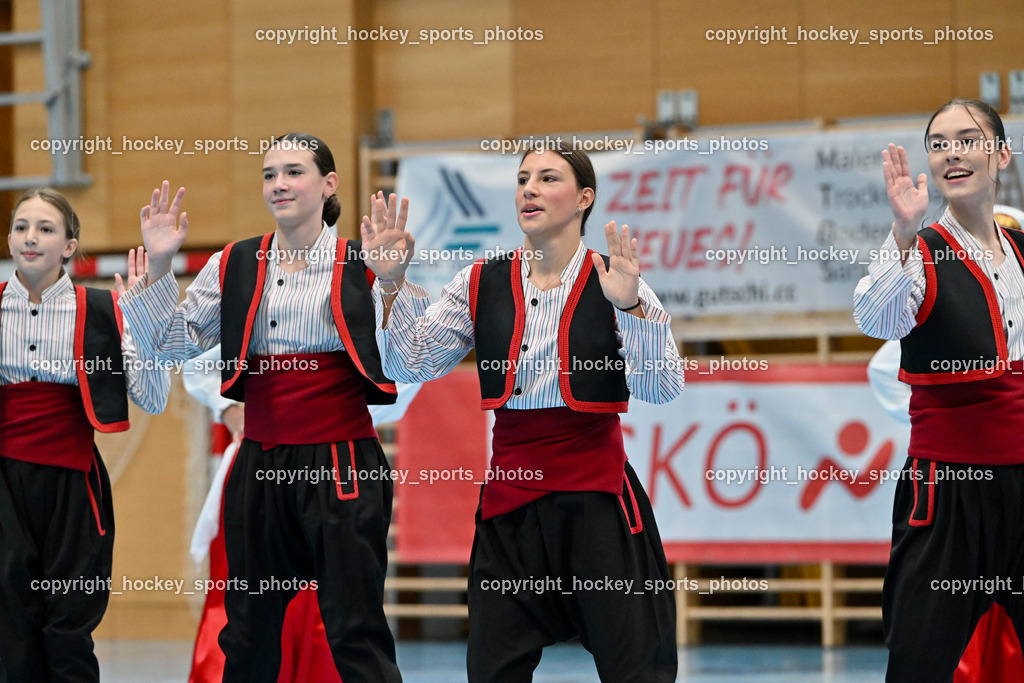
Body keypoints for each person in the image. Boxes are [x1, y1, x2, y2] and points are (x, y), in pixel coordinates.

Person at [364, 141, 684, 681]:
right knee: (492, 668)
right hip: (510, 506)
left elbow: (664, 386)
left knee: (636, 667)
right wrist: (391, 284)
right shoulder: (479, 281)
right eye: (522, 178)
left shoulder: (618, 280)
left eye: (547, 178)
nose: (529, 188)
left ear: (584, 198)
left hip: (598, 502)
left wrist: (628, 308)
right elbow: (412, 362)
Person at [118, 133, 403, 682]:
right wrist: (159, 270)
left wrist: (394, 283)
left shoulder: (363, 263)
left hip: (341, 463)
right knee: (247, 627)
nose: (279, 184)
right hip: (260, 463)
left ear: (329, 184)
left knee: (354, 626)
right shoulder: (235, 261)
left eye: (294, 172)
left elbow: (410, 363)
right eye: (270, 174)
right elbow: (176, 344)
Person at [854, 99, 1024, 681]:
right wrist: (902, 233)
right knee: (919, 658)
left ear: (1001, 155)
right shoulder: (921, 252)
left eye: (968, 139)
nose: (952, 151)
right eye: (938, 143)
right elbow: (874, 317)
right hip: (947, 490)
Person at [0, 189, 169, 682]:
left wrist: (144, 319)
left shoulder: (104, 309)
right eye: (21, 227)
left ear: (70, 246)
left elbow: (153, 398)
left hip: (73, 485)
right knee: (11, 623)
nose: (31, 237)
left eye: (46, 229)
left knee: (69, 626)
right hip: (5, 484)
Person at [182, 343, 421, 683]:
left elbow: (407, 361)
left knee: (347, 616)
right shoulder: (242, 287)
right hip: (260, 452)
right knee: (248, 616)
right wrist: (227, 407)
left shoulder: (369, 289)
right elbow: (198, 346)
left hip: (339, 452)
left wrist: (333, 406)